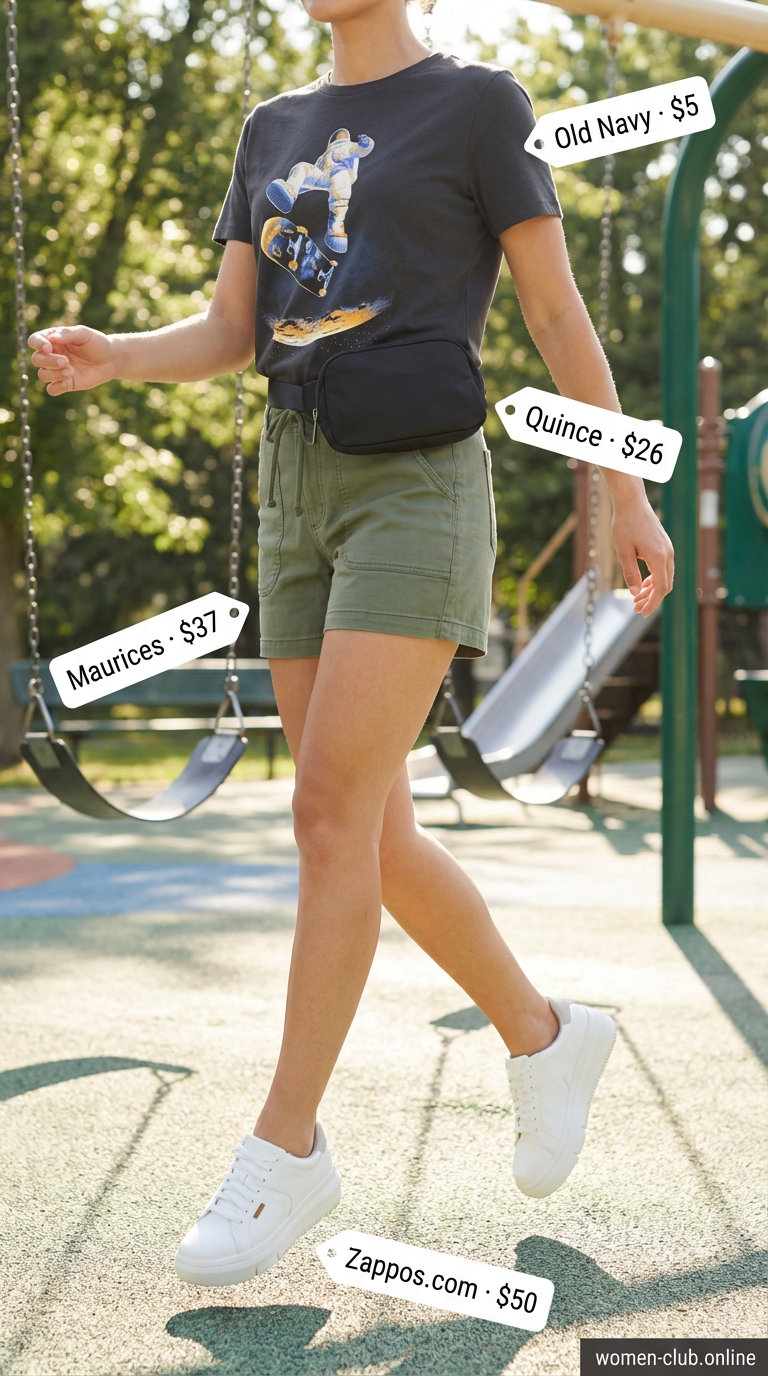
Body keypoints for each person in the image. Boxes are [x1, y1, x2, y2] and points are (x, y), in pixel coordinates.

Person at [28, 0, 674, 1289]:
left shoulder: (480, 105)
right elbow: (231, 333)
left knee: (326, 815)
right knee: (370, 832)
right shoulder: (271, 126)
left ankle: (287, 1149)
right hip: (294, 484)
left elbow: (552, 311)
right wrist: (117, 358)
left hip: (417, 487)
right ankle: (546, 1039)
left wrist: (626, 483)